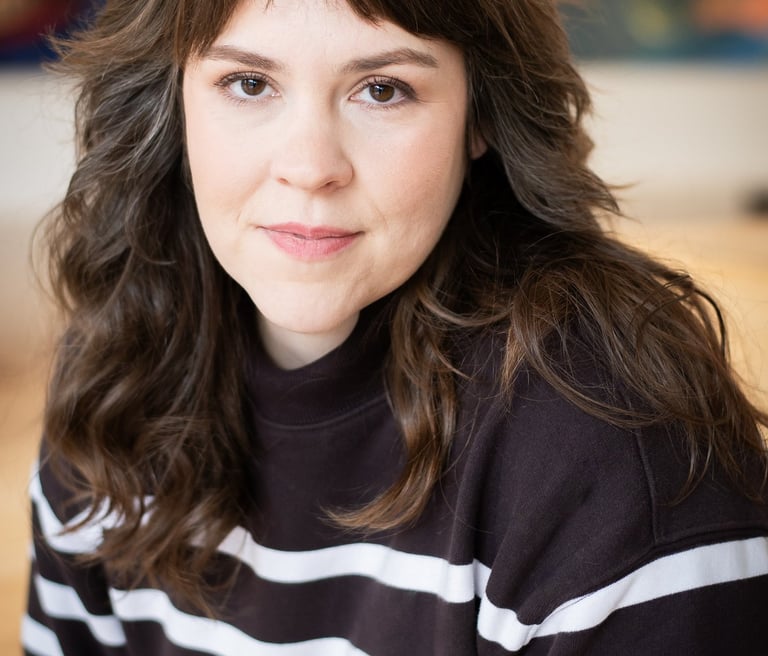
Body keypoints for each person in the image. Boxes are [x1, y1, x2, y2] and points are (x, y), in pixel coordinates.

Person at [22, 0, 768, 654]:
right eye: (249, 83)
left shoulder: (612, 433)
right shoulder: (115, 372)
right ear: (174, 102)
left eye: (383, 90)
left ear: (480, 115)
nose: (310, 166)